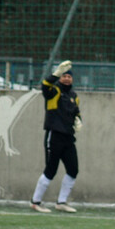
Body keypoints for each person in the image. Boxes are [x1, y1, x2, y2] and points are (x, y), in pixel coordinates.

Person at [30, 60, 82, 213]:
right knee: (51, 170)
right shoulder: (54, 92)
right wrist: (54, 74)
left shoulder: (74, 95)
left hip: (68, 137)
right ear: (60, 77)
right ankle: (35, 201)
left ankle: (61, 202)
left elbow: (76, 113)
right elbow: (45, 87)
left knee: (73, 169)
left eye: (69, 76)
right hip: (54, 135)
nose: (66, 78)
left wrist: (79, 121)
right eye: (64, 76)